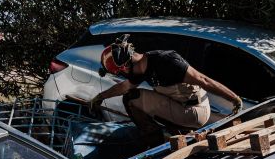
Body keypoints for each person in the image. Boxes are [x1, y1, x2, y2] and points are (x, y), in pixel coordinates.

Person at [89, 34, 243, 145]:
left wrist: (233, 98)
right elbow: (123, 87)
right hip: (180, 107)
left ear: (126, 66)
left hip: (194, 111)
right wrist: (100, 96)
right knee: (135, 95)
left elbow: (203, 80)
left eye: (122, 72)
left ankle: (155, 143)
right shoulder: (140, 69)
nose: (124, 76)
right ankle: (171, 132)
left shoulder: (167, 61)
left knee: (132, 98)